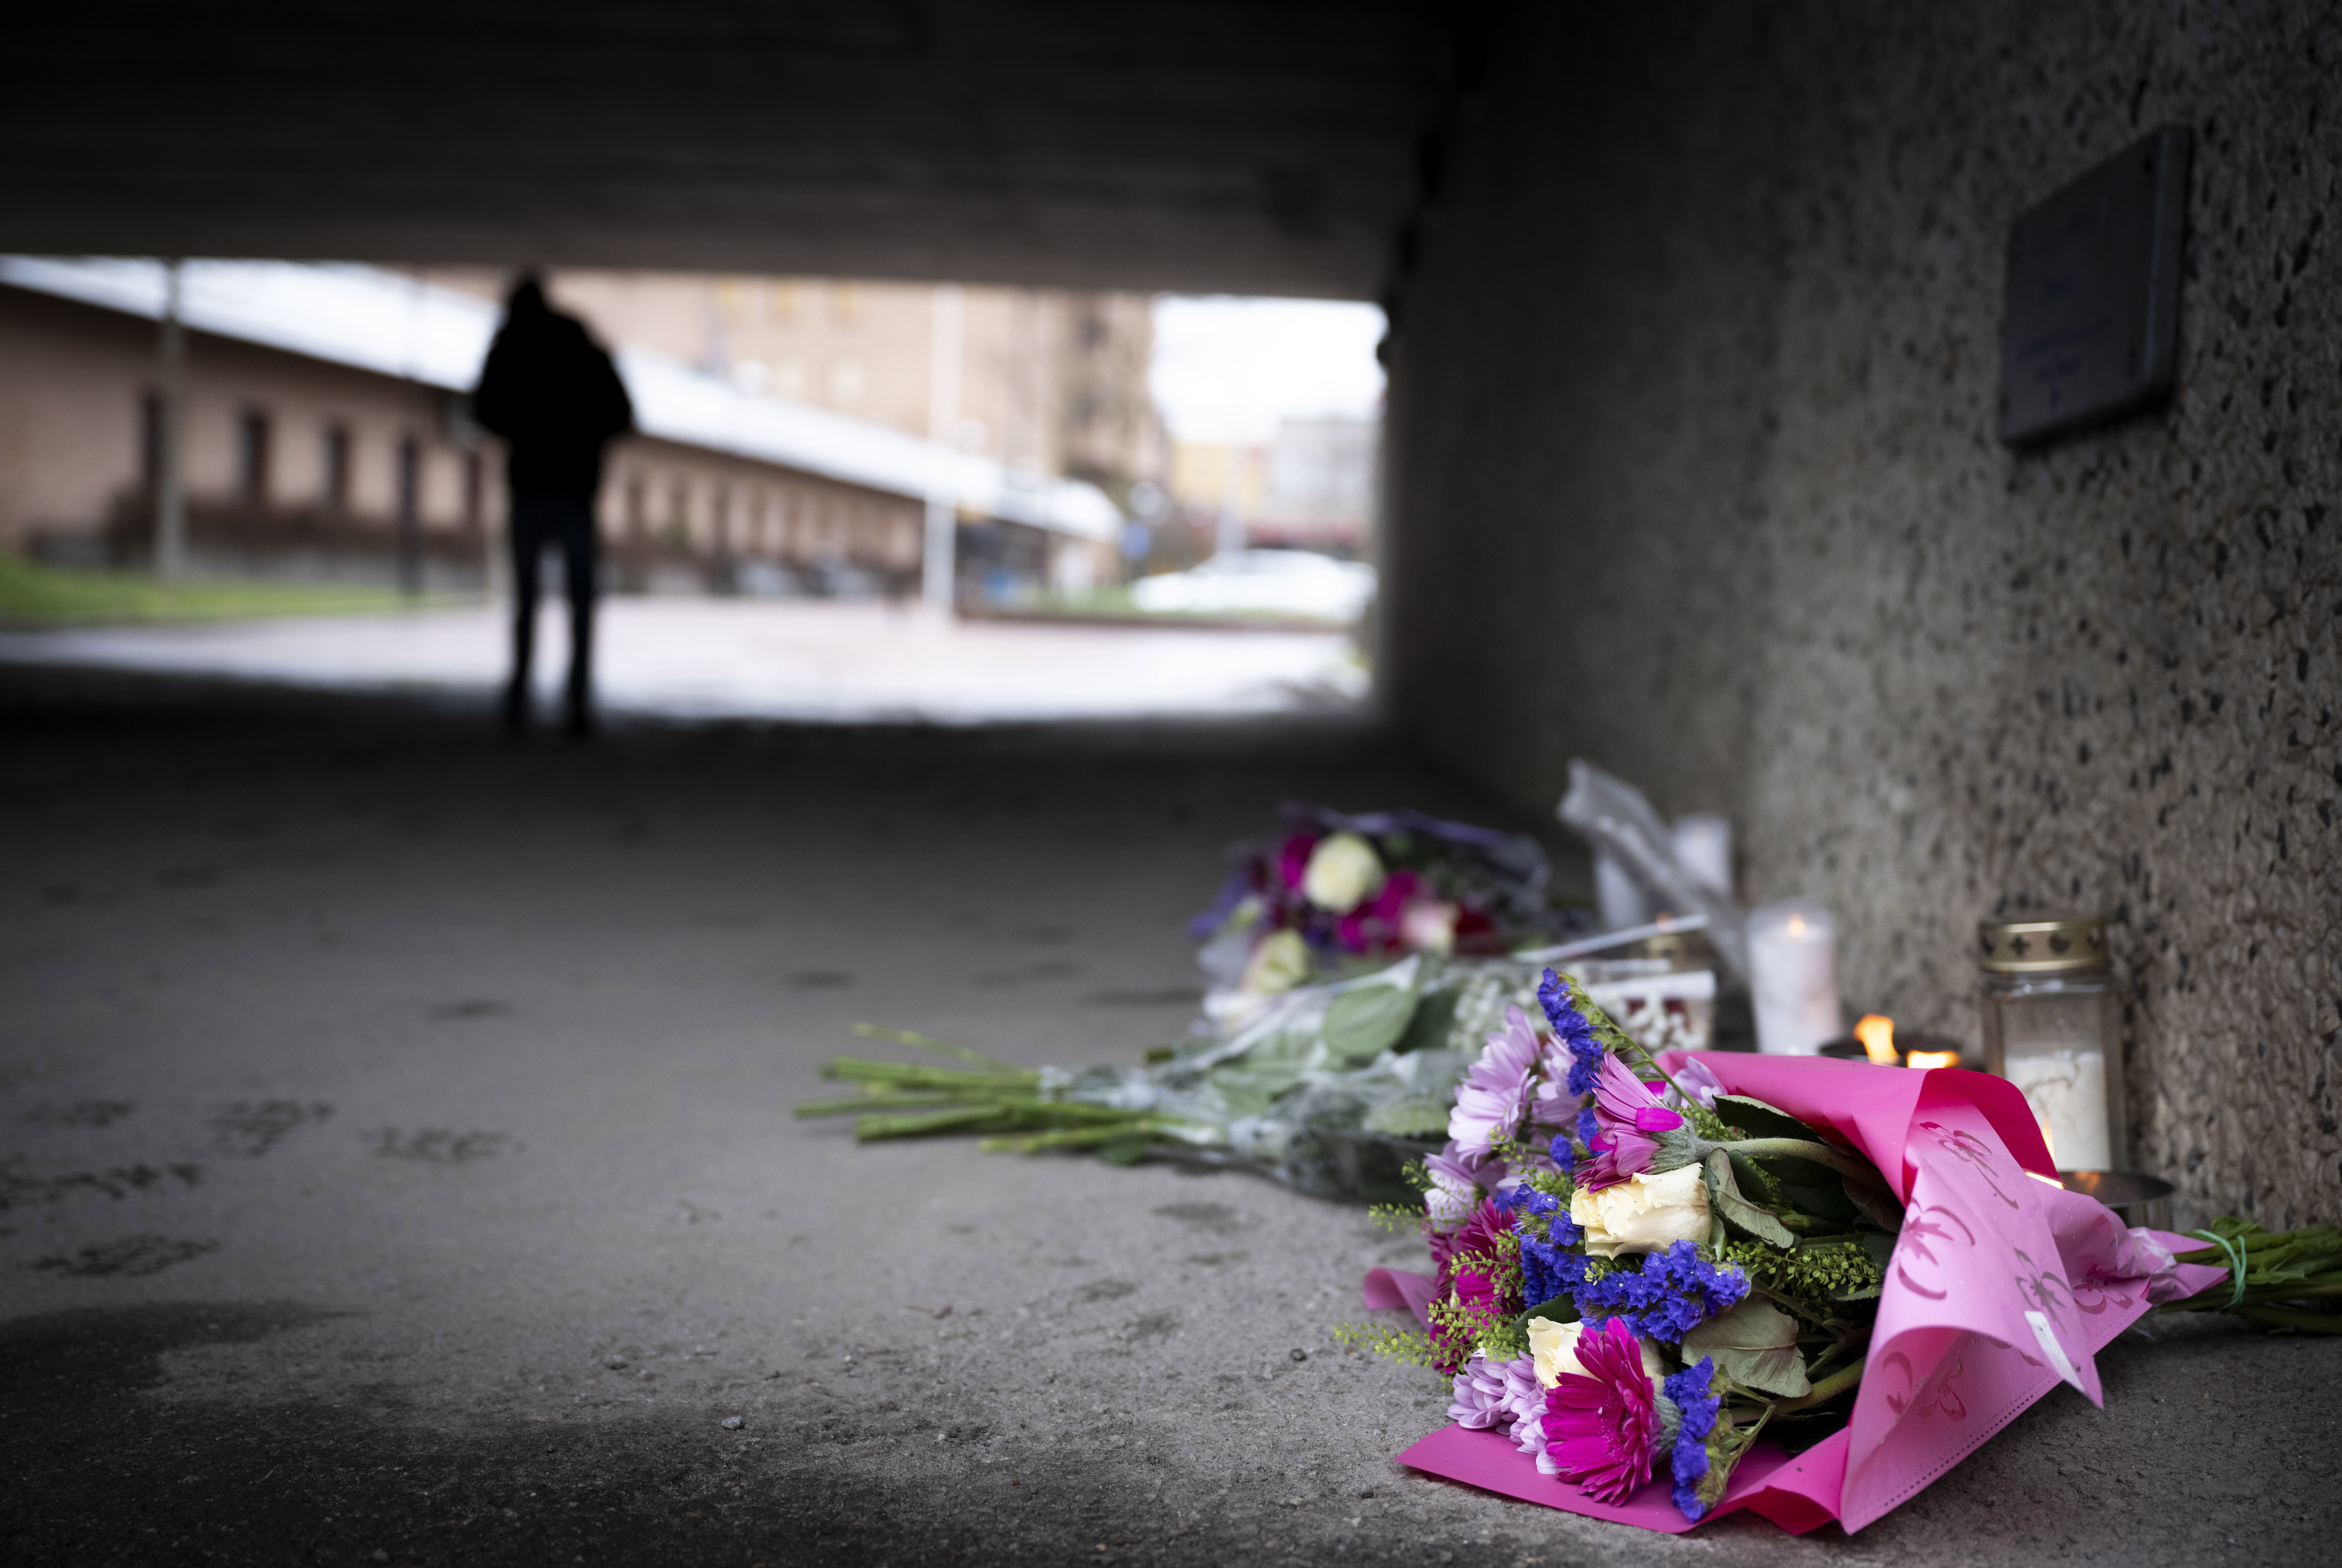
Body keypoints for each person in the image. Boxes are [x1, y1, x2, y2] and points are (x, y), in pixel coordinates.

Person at [471, 273, 633, 735]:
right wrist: (582, 437)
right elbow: (622, 414)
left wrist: (530, 429)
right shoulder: (584, 347)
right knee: (578, 598)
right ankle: (576, 698)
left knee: (527, 597)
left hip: (534, 485)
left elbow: (483, 410)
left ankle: (522, 695)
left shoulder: (510, 348)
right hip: (575, 486)